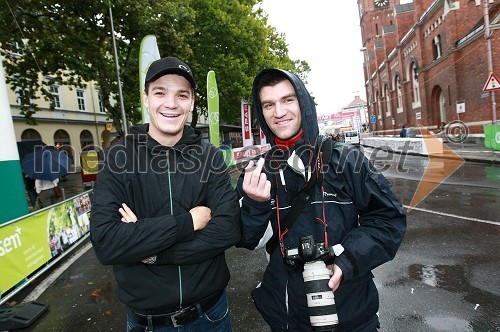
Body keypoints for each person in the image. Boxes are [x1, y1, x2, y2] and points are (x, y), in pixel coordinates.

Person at [236, 68, 407, 331]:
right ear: (261, 113)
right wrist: (255, 204)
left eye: (288, 100)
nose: (279, 112)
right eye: (269, 104)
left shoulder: (348, 161)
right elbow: (248, 240)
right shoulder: (257, 171)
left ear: (303, 103)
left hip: (352, 315)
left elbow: (388, 220)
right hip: (286, 316)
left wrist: (347, 260)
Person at [90, 56, 241, 331]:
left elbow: (228, 229)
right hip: (148, 323)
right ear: (146, 98)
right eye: (160, 92)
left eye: (181, 95)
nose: (171, 103)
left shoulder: (210, 157)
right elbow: (106, 242)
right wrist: (188, 223)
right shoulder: (119, 157)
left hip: (211, 316)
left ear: (192, 103)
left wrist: (151, 252)